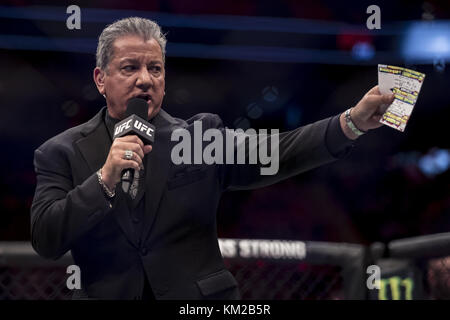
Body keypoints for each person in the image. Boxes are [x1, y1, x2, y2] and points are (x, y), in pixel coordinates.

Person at [30, 17, 395, 300]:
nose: (145, 79)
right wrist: (103, 180)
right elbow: (46, 239)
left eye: (154, 68)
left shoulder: (199, 137)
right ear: (100, 78)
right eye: (130, 68)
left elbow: (281, 151)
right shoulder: (61, 152)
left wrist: (351, 122)